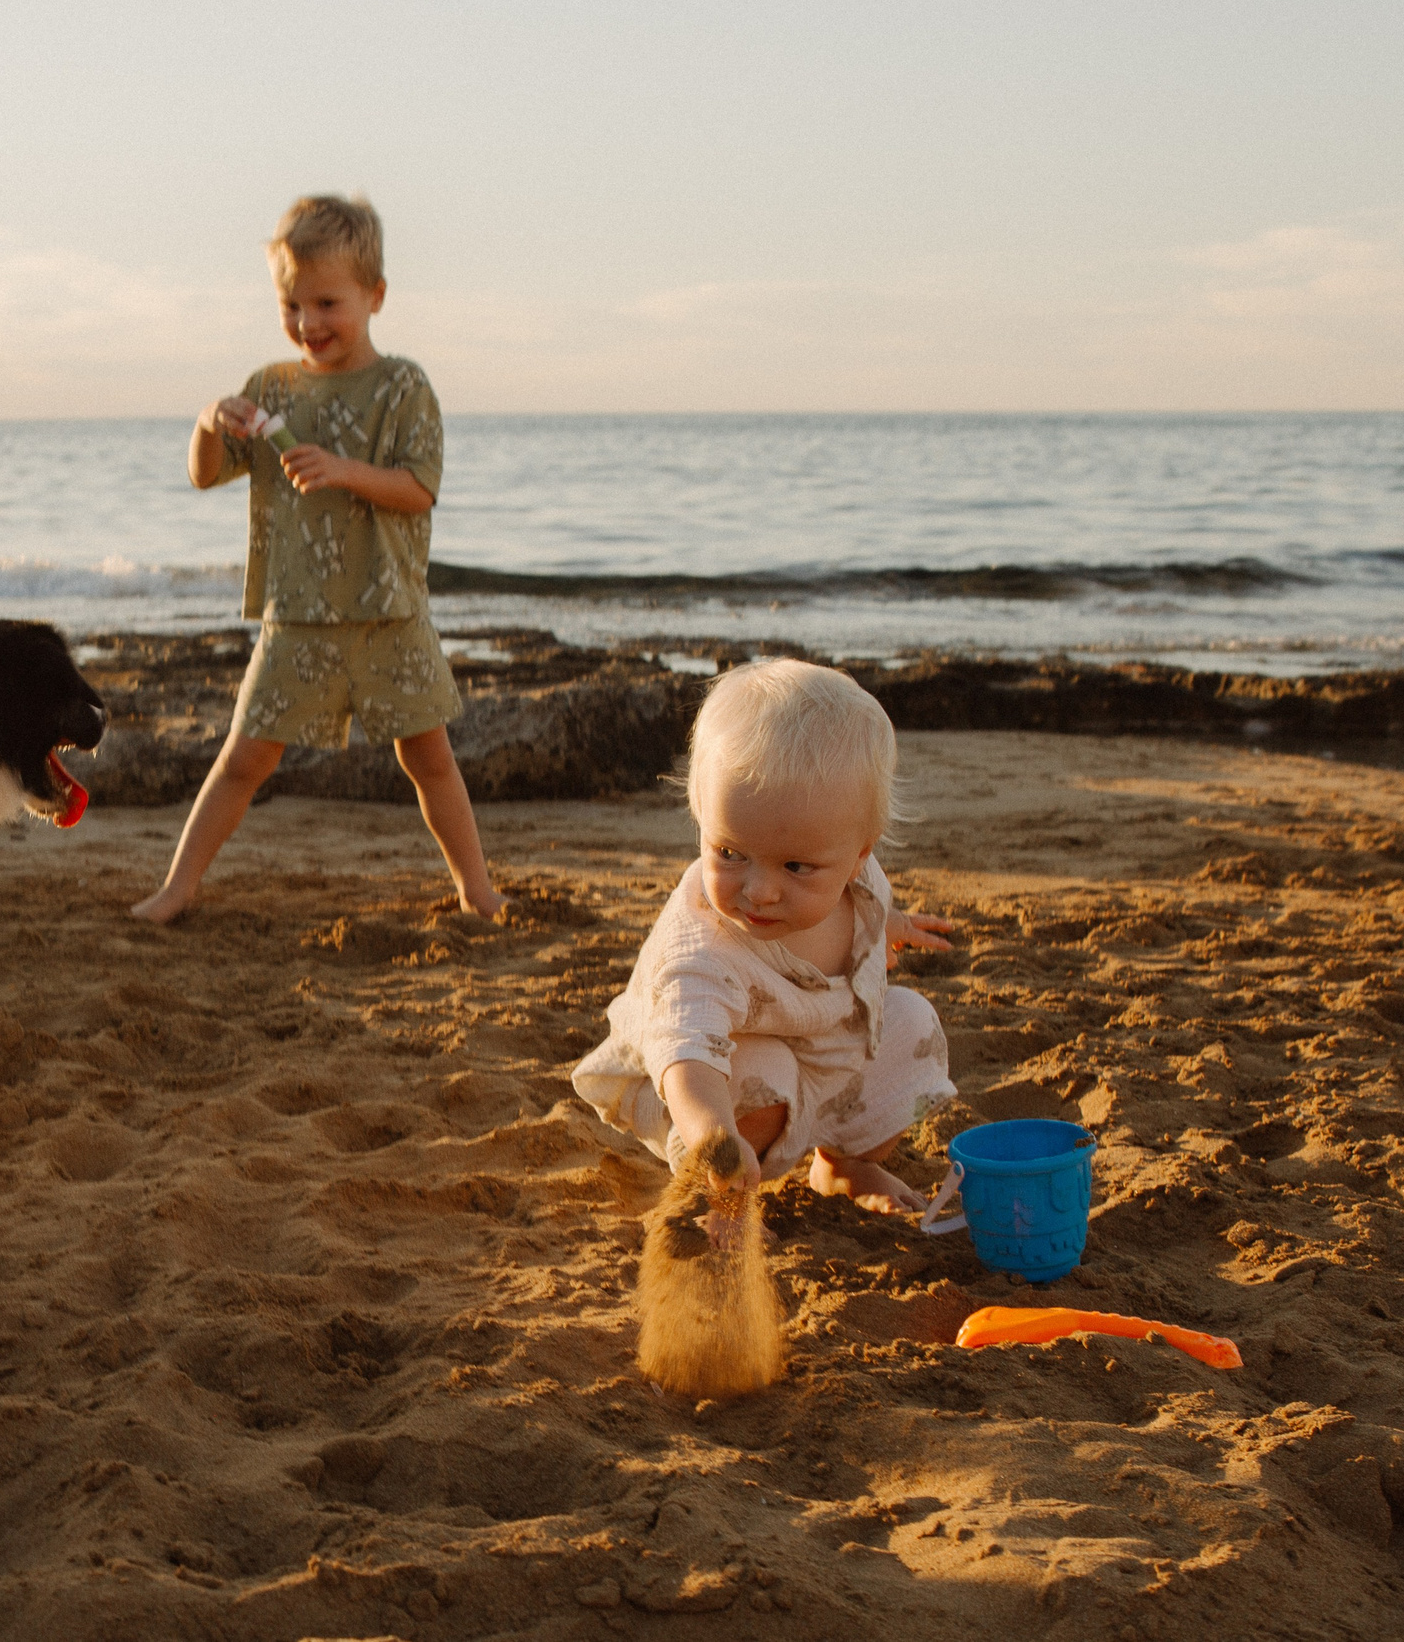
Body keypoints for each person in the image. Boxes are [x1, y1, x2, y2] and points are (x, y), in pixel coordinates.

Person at [130, 193, 505, 923]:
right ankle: (178, 888)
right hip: (296, 615)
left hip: (388, 612)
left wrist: (342, 468)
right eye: (291, 306)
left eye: (327, 303)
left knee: (428, 759)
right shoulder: (270, 387)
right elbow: (204, 473)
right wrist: (209, 420)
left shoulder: (402, 387)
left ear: (375, 296)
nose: (308, 324)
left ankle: (476, 888)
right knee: (244, 759)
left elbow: (419, 488)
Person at [570, 659, 957, 1215]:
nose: (760, 891)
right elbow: (686, 1053)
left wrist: (888, 926)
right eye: (729, 853)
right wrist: (711, 1135)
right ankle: (719, 1192)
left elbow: (868, 904)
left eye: (796, 867)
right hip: (705, 1084)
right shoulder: (701, 953)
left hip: (820, 1057)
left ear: (857, 856)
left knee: (913, 1026)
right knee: (762, 1071)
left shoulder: (859, 881)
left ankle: (843, 1165)